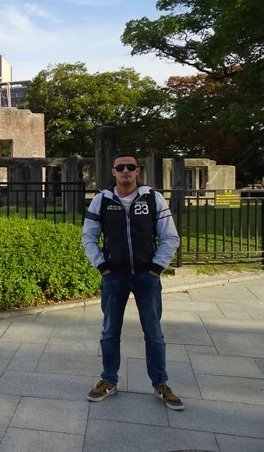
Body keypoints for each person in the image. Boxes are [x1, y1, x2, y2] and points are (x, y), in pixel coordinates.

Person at [82, 153, 183, 410]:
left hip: (145, 277)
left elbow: (170, 236)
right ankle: (109, 379)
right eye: (120, 167)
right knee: (109, 332)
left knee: (154, 334)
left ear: (138, 171)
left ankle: (160, 383)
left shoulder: (153, 198)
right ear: (113, 172)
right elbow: (88, 237)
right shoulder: (101, 201)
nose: (125, 171)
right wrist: (102, 266)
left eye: (131, 167)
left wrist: (156, 267)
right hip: (114, 276)